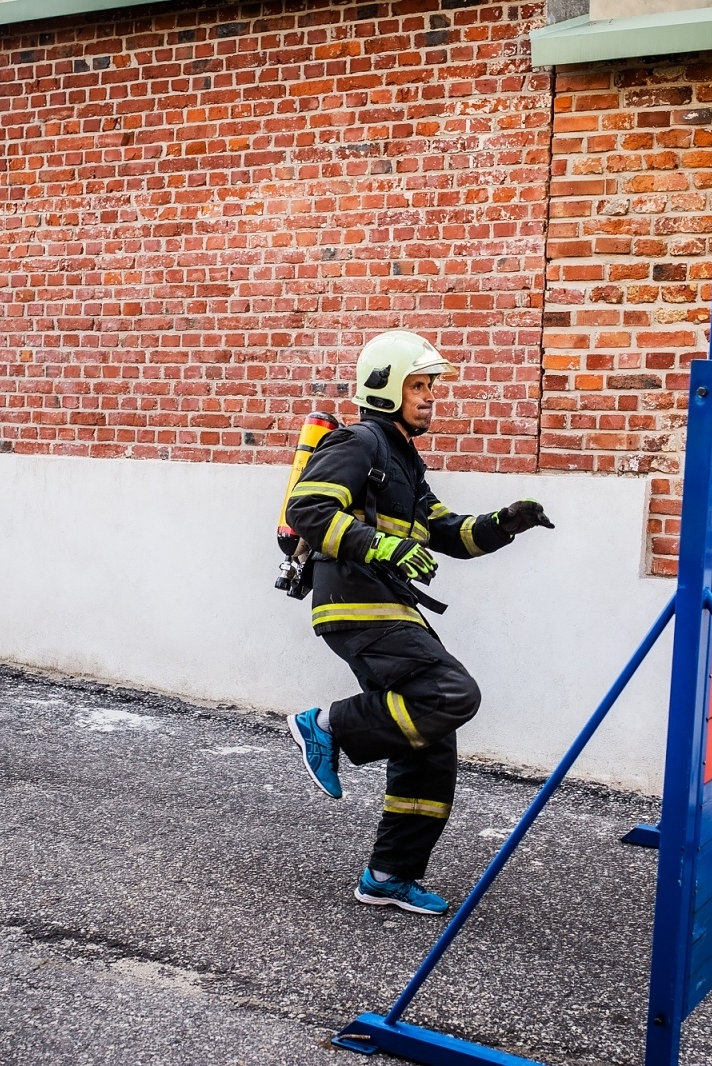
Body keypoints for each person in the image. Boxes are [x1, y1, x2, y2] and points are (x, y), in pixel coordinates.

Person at [283, 330, 553, 916]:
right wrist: (381, 548)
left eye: (431, 386)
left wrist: (506, 522)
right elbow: (305, 509)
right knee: (451, 693)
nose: (431, 397)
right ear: (384, 387)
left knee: (429, 739)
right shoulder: (358, 443)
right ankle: (326, 725)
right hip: (358, 607)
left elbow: (447, 533)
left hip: (388, 607)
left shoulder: (404, 460)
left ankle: (388, 874)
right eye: (419, 385)